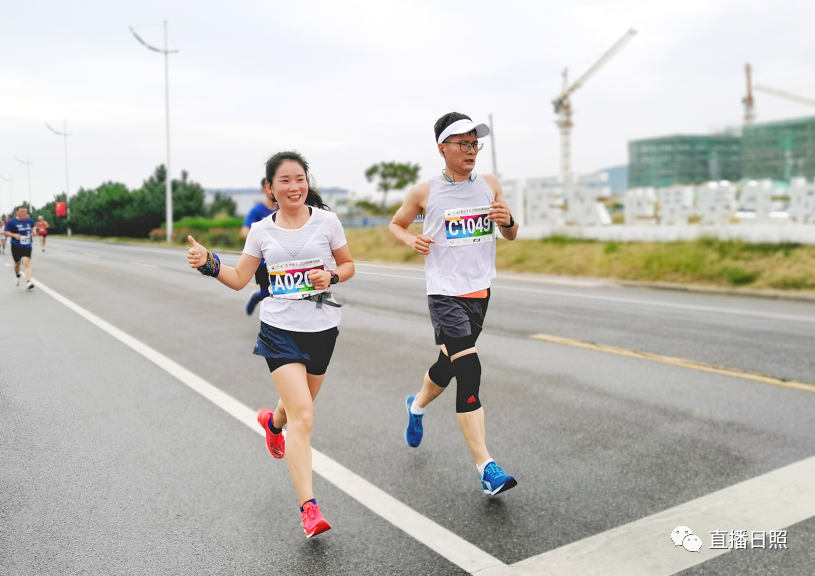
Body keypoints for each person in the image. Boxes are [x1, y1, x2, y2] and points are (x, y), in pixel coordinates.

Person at [187, 151, 354, 538]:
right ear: (270, 188)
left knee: (295, 409)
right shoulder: (261, 231)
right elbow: (239, 279)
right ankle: (309, 509)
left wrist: (331, 277)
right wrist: (209, 262)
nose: (294, 187)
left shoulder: (327, 222)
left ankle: (271, 423)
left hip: (322, 328)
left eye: (300, 179)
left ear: (307, 183)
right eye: (285, 180)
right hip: (279, 329)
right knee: (304, 416)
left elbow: (348, 265)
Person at [389, 112, 520, 496]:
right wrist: (411, 240)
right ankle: (486, 467)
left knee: (448, 365)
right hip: (445, 293)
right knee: (469, 369)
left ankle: (416, 405)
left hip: (479, 292)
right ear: (442, 148)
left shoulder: (490, 185)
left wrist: (507, 219)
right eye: (463, 143)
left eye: (475, 143)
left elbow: (511, 234)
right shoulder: (424, 192)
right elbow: (396, 224)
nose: (471, 150)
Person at [241, 178, 278, 315]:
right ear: (264, 189)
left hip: (279, 260)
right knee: (266, 293)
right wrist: (264, 242)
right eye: (269, 187)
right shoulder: (257, 211)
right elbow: (245, 232)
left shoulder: (282, 210)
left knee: (281, 293)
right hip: (262, 262)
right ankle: (256, 297)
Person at [4, 206, 37, 290]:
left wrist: (34, 231)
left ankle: (28, 282)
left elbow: (33, 226)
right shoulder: (12, 222)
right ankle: (17, 275)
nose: (24, 213)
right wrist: (14, 235)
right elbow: (5, 232)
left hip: (27, 245)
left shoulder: (29, 220)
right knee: (17, 264)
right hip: (16, 245)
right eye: (22, 211)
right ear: (17, 212)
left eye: (25, 212)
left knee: (26, 263)